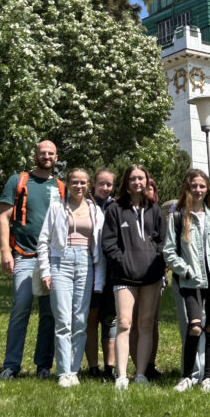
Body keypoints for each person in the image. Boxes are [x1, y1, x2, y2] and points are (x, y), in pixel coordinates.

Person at [0, 139, 64, 380]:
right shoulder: (19, 180)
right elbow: (4, 216)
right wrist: (6, 251)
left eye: (51, 153)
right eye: (42, 152)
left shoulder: (61, 187)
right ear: (35, 155)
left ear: (56, 157)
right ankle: (11, 365)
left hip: (52, 259)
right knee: (20, 309)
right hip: (24, 255)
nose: (46, 156)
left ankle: (43, 366)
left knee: (49, 314)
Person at [164, 169, 210, 392]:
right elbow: (169, 251)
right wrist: (184, 270)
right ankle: (187, 375)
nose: (198, 190)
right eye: (194, 186)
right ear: (187, 188)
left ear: (208, 189)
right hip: (190, 282)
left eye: (202, 186)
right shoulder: (177, 216)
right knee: (194, 327)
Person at [37, 168, 106, 387]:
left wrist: (99, 281)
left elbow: (100, 249)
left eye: (83, 182)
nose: (79, 186)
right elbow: (43, 241)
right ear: (67, 183)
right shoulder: (57, 208)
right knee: (63, 320)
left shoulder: (95, 210)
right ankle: (63, 371)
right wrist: (46, 271)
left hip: (86, 263)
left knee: (80, 320)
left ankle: (74, 371)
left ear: (89, 185)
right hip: (61, 262)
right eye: (74, 182)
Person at [101, 164, 165, 390]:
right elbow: (108, 243)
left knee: (146, 323)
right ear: (126, 183)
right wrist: (123, 261)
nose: (138, 182)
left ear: (147, 181)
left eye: (141, 178)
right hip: (124, 277)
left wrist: (156, 263)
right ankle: (121, 375)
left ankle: (140, 373)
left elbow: (162, 242)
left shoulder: (155, 210)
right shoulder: (115, 209)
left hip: (151, 276)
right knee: (125, 323)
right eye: (133, 179)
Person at [85, 168, 117, 381]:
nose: (105, 188)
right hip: (90, 269)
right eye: (101, 184)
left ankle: (110, 367)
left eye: (109, 184)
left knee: (110, 320)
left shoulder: (116, 207)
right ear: (93, 185)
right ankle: (93, 367)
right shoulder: (86, 206)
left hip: (112, 271)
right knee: (91, 319)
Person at [144, 176, 165, 381]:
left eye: (150, 188)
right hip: (132, 274)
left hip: (155, 273)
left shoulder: (158, 213)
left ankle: (150, 363)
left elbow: (163, 242)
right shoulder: (126, 211)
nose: (146, 191)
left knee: (152, 321)